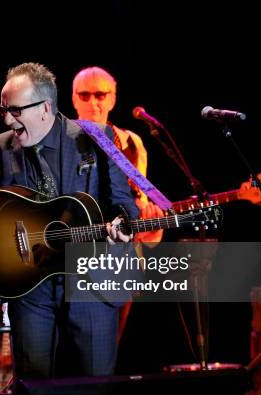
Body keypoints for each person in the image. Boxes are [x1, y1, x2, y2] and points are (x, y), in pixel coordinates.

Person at [0, 62, 138, 379]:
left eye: (15, 110)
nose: (7, 118)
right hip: (30, 290)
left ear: (45, 108)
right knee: (34, 389)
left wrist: (123, 224)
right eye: (3, 109)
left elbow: (125, 203)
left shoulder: (98, 137)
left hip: (91, 284)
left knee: (94, 391)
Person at [72, 66, 164, 340]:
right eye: (85, 95)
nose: (93, 103)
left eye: (101, 95)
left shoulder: (132, 143)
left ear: (112, 99)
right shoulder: (59, 140)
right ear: (74, 99)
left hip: (120, 264)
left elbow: (140, 207)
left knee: (106, 353)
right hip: (73, 260)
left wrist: (151, 225)